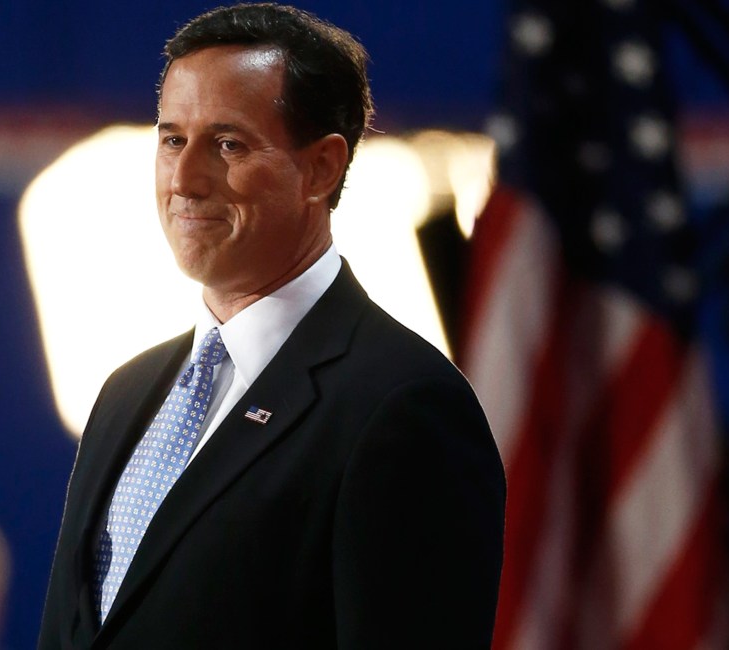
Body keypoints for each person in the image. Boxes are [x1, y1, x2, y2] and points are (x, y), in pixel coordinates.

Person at [39, 3, 505, 648]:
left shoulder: (403, 405)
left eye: (228, 143)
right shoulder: (128, 391)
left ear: (322, 168)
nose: (184, 179)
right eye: (173, 139)